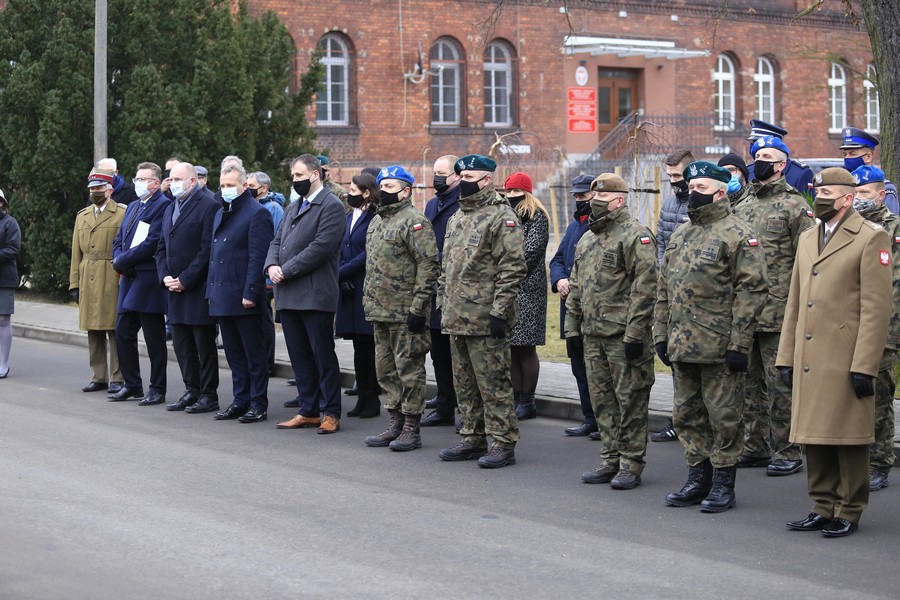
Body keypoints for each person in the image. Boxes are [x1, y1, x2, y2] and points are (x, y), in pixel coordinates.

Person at [778, 167, 892, 537]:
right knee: (814, 434)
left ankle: (850, 508)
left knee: (848, 436)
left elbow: (877, 310)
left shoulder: (870, 238)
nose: (820, 196)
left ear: (847, 197)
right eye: (817, 190)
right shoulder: (810, 237)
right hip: (810, 353)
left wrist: (865, 366)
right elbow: (795, 301)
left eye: (827, 191)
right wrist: (785, 355)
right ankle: (822, 504)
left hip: (845, 355)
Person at [654, 160, 767, 513]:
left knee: (725, 418)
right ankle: (697, 477)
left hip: (720, 346)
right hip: (683, 344)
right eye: (691, 188)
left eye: (701, 188)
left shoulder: (738, 234)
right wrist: (660, 334)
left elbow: (752, 292)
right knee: (687, 415)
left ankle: (722, 483)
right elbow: (663, 289)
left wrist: (740, 343)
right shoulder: (681, 234)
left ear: (720, 192)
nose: (693, 194)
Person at [566, 173, 657, 489]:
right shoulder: (589, 238)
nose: (594, 204)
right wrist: (571, 328)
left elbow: (646, 289)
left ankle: (631, 463)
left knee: (629, 400)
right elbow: (576, 285)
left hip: (622, 337)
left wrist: (635, 334)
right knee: (602, 400)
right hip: (593, 334)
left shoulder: (636, 236)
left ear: (619, 200)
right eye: (593, 199)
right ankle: (610, 459)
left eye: (601, 200)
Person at [732, 136, 815, 477]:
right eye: (756, 156)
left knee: (780, 383)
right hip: (744, 310)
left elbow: (808, 261)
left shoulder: (796, 206)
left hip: (778, 311)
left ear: (782, 165)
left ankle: (788, 449)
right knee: (749, 384)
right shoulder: (742, 203)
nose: (758, 161)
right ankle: (755, 446)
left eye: (767, 157)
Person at [437, 154, 526, 469]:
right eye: (461, 177)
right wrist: (441, 303)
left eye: (471, 177)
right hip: (455, 315)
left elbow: (513, 268)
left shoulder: (502, 217)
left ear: (487, 180)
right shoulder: (457, 217)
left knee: (493, 382)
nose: (464, 183)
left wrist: (500, 312)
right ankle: (472, 436)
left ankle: (502, 442)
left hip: (486, 317)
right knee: (464, 382)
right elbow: (446, 266)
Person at [362, 166, 440, 451]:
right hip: (379, 310)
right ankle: (394, 421)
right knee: (385, 371)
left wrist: (419, 307)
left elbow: (428, 265)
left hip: (405, 311)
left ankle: (411, 427)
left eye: (391, 186)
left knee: (409, 370)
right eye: (382, 186)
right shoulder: (377, 222)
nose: (384, 191)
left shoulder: (415, 222)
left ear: (406, 190)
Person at [268, 154, 345, 434]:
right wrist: (271, 265)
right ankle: (309, 410)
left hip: (315, 294)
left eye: (299, 176)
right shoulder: (293, 207)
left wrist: (286, 269)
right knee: (299, 356)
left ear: (315, 175)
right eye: (293, 177)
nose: (294, 181)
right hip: (289, 294)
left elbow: (321, 247)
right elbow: (277, 241)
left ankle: (331, 413)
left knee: (322, 356)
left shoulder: (332, 206)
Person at [208, 163, 274, 423]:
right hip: (222, 294)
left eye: (230, 185)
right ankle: (240, 399)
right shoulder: (221, 212)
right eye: (222, 186)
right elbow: (215, 256)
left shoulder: (257, 213)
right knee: (234, 354)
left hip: (243, 296)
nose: (225, 190)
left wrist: (251, 292)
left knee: (253, 354)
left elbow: (257, 258)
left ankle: (258, 403)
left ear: (244, 186)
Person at [849, 165, 900, 492]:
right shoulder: (847, 227)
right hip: (849, 325)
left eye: (865, 193)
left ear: (882, 195)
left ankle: (880, 460)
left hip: (884, 327)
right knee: (852, 395)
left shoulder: (894, 230)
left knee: (878, 395)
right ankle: (854, 457)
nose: (858, 199)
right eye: (854, 193)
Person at [155, 162, 220, 414]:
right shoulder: (170, 208)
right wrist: (165, 277)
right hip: (173, 289)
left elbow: (207, 251)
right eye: (170, 179)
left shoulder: (209, 206)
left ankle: (208, 394)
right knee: (181, 344)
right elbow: (161, 247)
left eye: (178, 179)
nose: (173, 184)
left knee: (203, 345)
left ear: (193, 181)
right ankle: (191, 390)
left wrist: (185, 279)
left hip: (196, 289)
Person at [108, 162, 172, 405]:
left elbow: (153, 241)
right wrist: (118, 257)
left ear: (156, 183)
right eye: (137, 178)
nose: (138, 183)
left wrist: (123, 260)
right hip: (129, 278)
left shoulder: (163, 205)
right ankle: (132, 384)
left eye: (144, 179)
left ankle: (158, 388)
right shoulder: (134, 205)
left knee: (154, 338)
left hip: (148, 280)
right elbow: (120, 238)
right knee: (123, 331)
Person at [69, 167, 126, 394]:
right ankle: (99, 376)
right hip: (87, 276)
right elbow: (76, 253)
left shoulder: (122, 212)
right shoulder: (82, 215)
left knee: (114, 329)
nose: (95, 191)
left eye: (100, 187)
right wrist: (74, 283)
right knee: (93, 329)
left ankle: (118, 377)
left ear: (109, 190)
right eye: (92, 188)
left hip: (111, 274)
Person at [550, 174, 598, 438]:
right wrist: (559, 280)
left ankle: (605, 421)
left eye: (584, 196)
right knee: (578, 365)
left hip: (591, 309)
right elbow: (557, 259)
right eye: (577, 196)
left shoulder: (598, 226)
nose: (580, 201)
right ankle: (589, 417)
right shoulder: (573, 227)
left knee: (597, 368)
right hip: (571, 310)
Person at [651, 148, 694, 443]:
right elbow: (662, 246)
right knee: (675, 360)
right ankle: (679, 420)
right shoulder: (669, 204)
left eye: (678, 175)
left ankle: (694, 424)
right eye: (669, 176)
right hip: (672, 295)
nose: (673, 181)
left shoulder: (702, 201)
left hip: (697, 295)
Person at [503, 172, 549, 420]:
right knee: (510, 346)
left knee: (525, 347)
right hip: (507, 289)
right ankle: (515, 396)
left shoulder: (536, 217)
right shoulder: (504, 216)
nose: (511, 196)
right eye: (508, 192)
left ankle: (527, 400)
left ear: (527, 192)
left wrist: (506, 270)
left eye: (516, 192)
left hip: (528, 290)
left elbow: (530, 253)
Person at [421, 155, 461, 427]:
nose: (437, 177)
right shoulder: (433, 203)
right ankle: (445, 404)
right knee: (438, 352)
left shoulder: (462, 205)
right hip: (432, 287)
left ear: (456, 176)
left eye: (442, 173)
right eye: (434, 172)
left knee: (455, 353)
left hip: (454, 289)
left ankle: (461, 406)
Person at [337, 173, 380, 419]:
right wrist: (341, 277)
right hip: (348, 288)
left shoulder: (375, 218)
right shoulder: (347, 217)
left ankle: (372, 397)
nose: (348, 194)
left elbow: (368, 253)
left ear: (366, 192)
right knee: (356, 345)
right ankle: (361, 394)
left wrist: (343, 272)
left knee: (368, 344)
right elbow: (340, 248)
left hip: (365, 285)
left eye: (353, 190)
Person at [248, 171, 283, 377]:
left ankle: (268, 362)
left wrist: (270, 271)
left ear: (264, 187)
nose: (248, 187)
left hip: (266, 273)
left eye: (251, 185)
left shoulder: (273, 208)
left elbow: (274, 239)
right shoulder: (253, 206)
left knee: (265, 320)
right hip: (254, 272)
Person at [745, 119, 815, 201]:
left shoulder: (800, 173)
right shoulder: (749, 171)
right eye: (753, 143)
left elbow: (808, 205)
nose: (754, 146)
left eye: (757, 142)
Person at [837, 127, 899, 214]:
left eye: (852, 153)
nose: (847, 158)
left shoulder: (885, 187)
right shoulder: (842, 185)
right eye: (845, 154)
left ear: (868, 157)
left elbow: (890, 223)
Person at [0, 189, 20, 379]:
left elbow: (13, 249)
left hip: (4, 279)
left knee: (3, 319)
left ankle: (3, 364)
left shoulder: (9, 223)